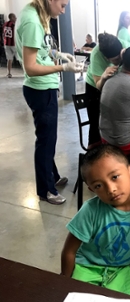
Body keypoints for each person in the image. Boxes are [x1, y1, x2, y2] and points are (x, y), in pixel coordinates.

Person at [61, 144, 130, 296]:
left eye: (115, 177)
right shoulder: (90, 210)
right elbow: (69, 251)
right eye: (99, 185)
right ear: (92, 189)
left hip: (122, 271)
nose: (111, 189)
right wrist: (65, 283)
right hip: (86, 267)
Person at [16, 0, 83, 205]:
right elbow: (31, 67)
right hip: (40, 88)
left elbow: (42, 50)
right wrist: (63, 68)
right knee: (45, 142)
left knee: (49, 139)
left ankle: (51, 177)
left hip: (45, 87)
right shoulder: (32, 21)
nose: (63, 11)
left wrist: (59, 55)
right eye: (62, 5)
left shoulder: (39, 15)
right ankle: (46, 190)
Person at [85, 33, 124, 147]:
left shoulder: (123, 46)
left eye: (120, 56)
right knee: (95, 122)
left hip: (114, 85)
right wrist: (104, 76)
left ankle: (110, 149)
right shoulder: (96, 54)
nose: (120, 60)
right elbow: (98, 84)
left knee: (114, 119)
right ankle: (92, 151)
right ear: (106, 58)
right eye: (116, 59)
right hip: (95, 86)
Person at [3, 13, 17, 78]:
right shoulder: (13, 24)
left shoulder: (5, 24)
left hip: (6, 44)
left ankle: (9, 73)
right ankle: (26, 72)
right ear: (11, 18)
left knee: (9, 59)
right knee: (21, 58)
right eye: (14, 17)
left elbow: (3, 33)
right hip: (13, 44)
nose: (16, 18)